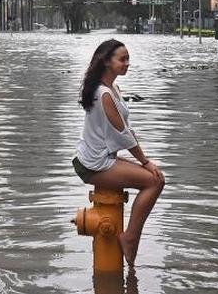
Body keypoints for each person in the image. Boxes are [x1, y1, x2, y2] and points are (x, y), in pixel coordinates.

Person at [72, 38, 165, 270]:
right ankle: (130, 237)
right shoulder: (103, 94)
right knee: (154, 181)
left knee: (154, 176)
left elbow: (125, 129)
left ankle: (129, 240)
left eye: (128, 59)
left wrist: (145, 161)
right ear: (106, 62)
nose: (127, 64)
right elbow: (123, 135)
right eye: (122, 59)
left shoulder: (112, 89)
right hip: (93, 164)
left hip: (100, 158)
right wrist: (145, 162)